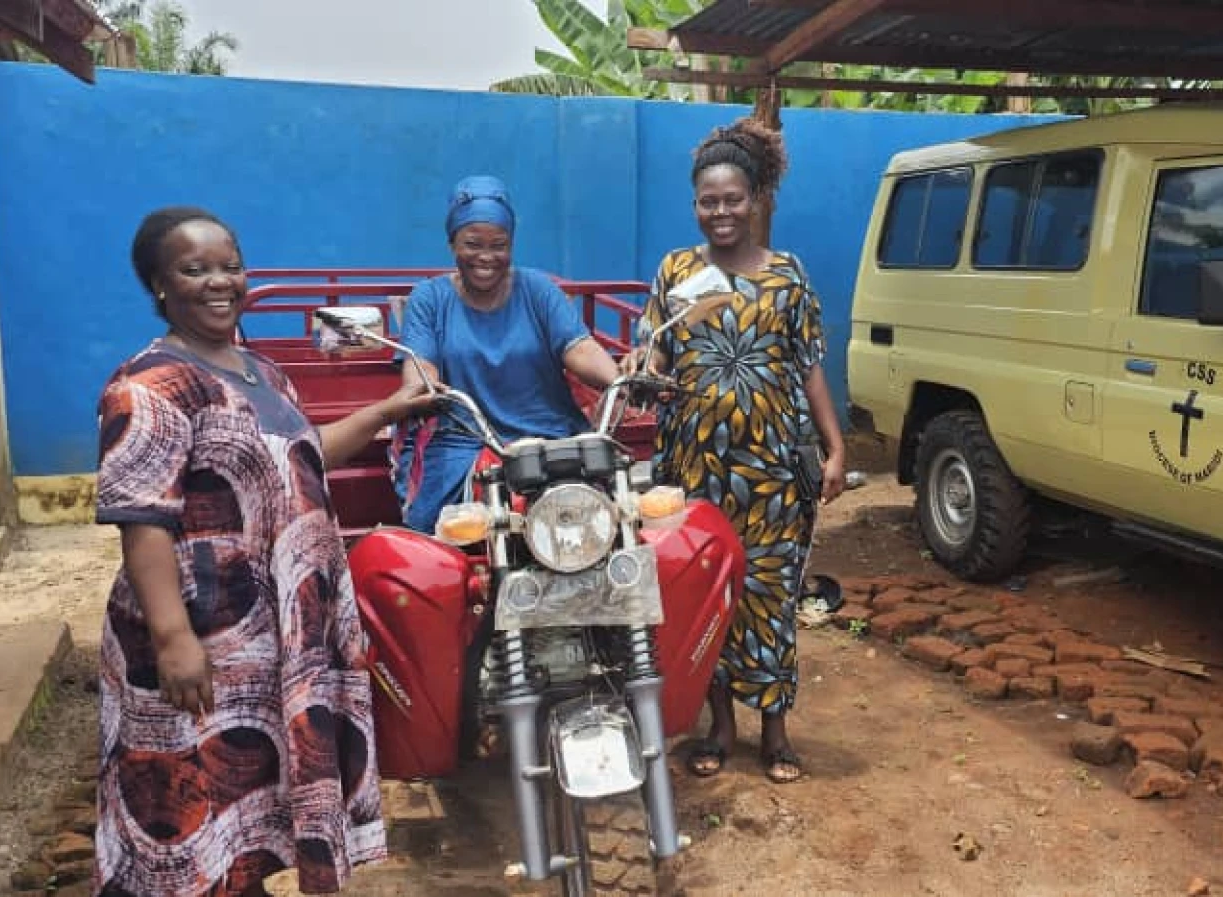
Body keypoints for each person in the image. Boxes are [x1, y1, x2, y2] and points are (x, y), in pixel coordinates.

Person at [94, 207, 430, 897]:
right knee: (196, 817)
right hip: (208, 639)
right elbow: (142, 523)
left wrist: (388, 412)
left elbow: (299, 457)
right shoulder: (147, 387)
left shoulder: (264, 374)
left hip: (280, 640)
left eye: (230, 265)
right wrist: (172, 636)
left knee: (252, 819)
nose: (220, 281)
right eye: (196, 269)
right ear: (160, 285)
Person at [627, 118, 847, 784]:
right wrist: (643, 363)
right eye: (707, 201)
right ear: (695, 204)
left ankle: (775, 730)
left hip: (775, 471)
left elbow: (809, 368)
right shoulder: (676, 271)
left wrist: (834, 448)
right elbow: (653, 347)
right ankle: (719, 726)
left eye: (732, 199)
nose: (720, 212)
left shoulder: (787, 278)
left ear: (756, 200)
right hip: (692, 470)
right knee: (704, 596)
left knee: (770, 595)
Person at [391, 175, 620, 531]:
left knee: (612, 522)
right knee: (434, 537)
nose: (486, 256)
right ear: (452, 244)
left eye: (499, 244)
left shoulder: (538, 290)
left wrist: (618, 380)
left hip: (549, 437)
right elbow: (419, 368)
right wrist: (425, 387)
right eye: (472, 244)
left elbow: (579, 347)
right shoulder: (430, 298)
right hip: (464, 441)